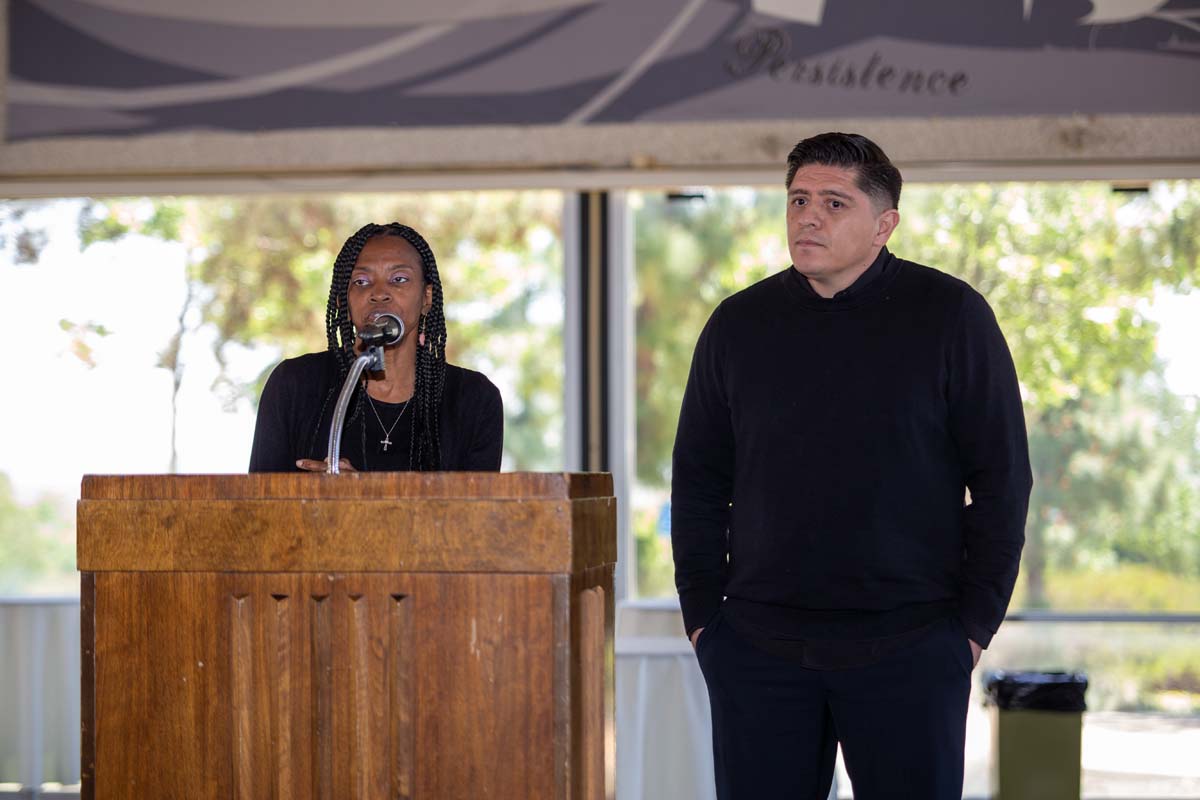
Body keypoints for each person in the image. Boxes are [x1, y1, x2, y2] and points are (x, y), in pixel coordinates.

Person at [671, 133, 1032, 799]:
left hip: (913, 645)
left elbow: (1003, 478)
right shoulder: (737, 326)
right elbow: (697, 479)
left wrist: (971, 628)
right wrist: (704, 620)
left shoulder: (952, 317)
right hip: (757, 647)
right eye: (799, 199)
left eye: (834, 203)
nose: (808, 216)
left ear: (884, 225)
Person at [249, 222, 503, 473]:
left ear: (427, 298)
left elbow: (475, 514)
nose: (379, 293)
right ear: (343, 301)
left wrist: (363, 499)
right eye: (361, 281)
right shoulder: (295, 384)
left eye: (399, 279)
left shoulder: (474, 399)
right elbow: (256, 506)